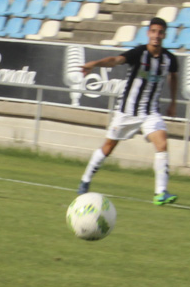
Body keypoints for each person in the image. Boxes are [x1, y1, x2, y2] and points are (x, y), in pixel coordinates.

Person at [77, 18, 180, 205]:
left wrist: (173, 102)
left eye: (160, 32)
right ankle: (85, 180)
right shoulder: (138, 53)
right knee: (108, 147)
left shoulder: (169, 59)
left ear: (164, 35)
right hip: (126, 112)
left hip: (150, 113)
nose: (157, 35)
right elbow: (116, 60)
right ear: (148, 33)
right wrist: (96, 63)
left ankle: (160, 193)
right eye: (154, 31)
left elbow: (174, 77)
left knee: (162, 144)